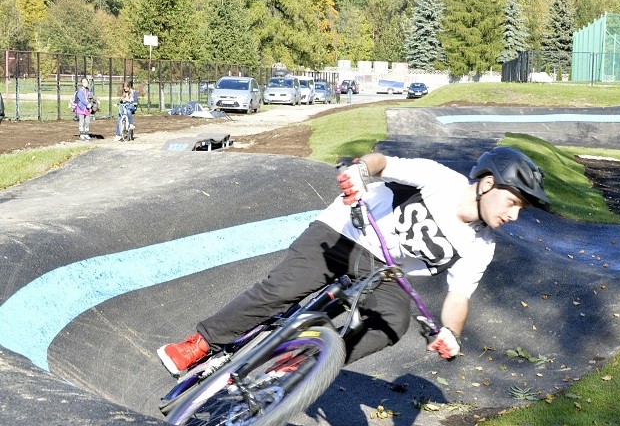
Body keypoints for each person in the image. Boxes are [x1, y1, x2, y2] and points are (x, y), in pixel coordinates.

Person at [157, 147, 551, 375]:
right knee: (281, 289)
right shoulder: (438, 179)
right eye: (513, 201)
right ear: (486, 184)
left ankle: (307, 366)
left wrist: (450, 332)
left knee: (395, 322)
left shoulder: (481, 245)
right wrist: (361, 172)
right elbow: (382, 163)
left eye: (522, 208)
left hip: (384, 273)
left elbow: (459, 297)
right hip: (345, 234)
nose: (514, 215)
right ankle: (202, 343)